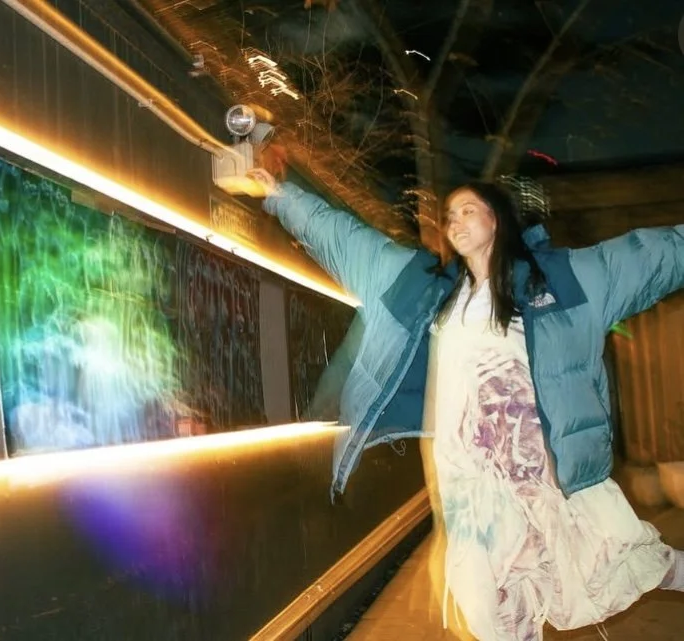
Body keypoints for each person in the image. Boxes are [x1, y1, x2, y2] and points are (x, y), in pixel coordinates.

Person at [247, 168, 684, 641]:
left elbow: (649, 255)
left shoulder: (557, 280)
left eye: (468, 210)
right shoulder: (432, 293)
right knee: (485, 603)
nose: (455, 221)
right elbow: (349, 240)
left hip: (543, 472)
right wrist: (278, 193)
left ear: (496, 219)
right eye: (450, 214)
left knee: (614, 559)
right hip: (472, 485)